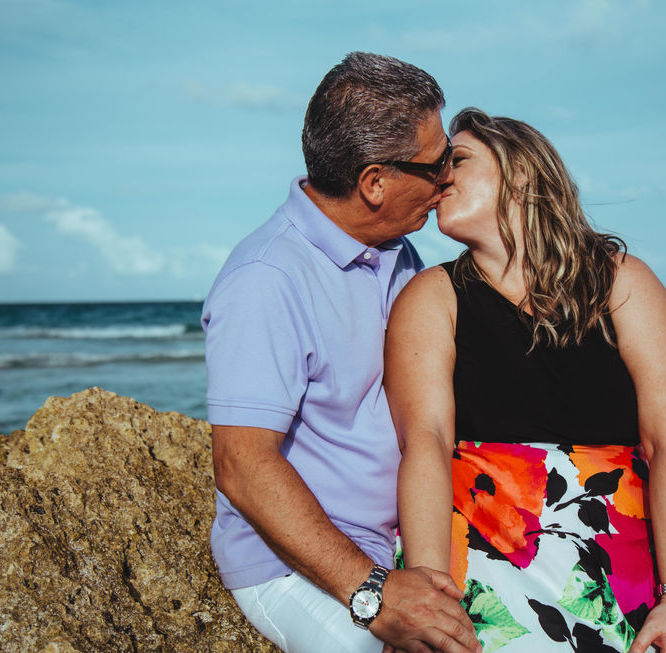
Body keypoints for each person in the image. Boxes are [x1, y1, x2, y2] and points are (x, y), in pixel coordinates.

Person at [384, 108, 666, 653]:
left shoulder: (621, 281)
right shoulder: (432, 296)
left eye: (459, 160)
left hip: (630, 555)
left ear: (521, 173)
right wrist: (430, 592)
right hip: (491, 549)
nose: (441, 175)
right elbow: (425, 443)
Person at [202, 53, 481, 653]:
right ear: (374, 182)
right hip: (299, 565)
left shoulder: (396, 252)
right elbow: (242, 465)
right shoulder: (266, 279)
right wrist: (373, 591)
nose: (447, 180)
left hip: (399, 540)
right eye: (437, 164)